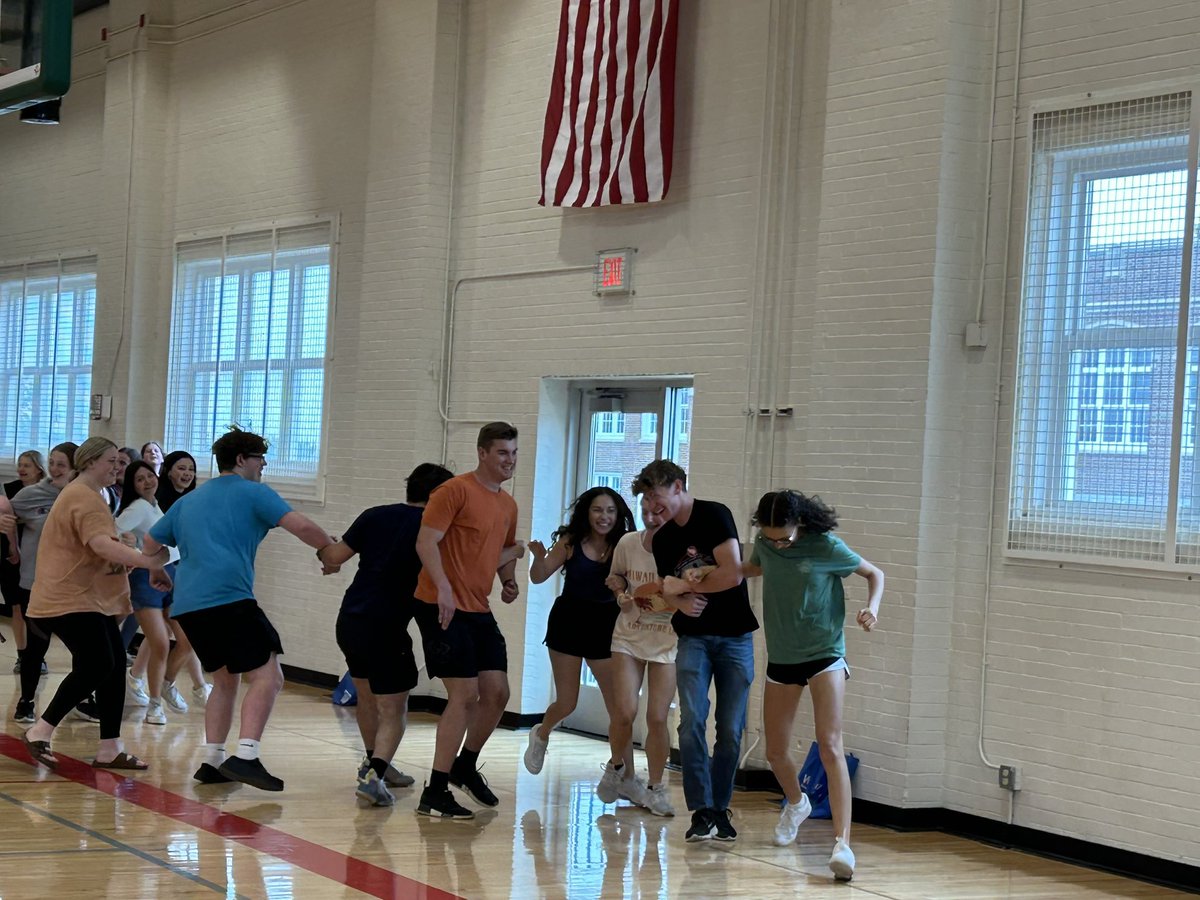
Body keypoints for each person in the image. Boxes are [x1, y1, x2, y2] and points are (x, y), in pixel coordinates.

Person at [144, 427, 335, 792]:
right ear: (241, 460)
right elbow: (302, 525)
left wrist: (156, 569)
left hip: (189, 605)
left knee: (225, 680)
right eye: (259, 458)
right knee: (269, 677)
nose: (263, 465)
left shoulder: (189, 501)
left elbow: (152, 540)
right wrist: (329, 551)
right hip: (228, 599)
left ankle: (213, 760)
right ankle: (246, 756)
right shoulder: (254, 492)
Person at [743, 490, 883, 880]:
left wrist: (872, 607)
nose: (777, 543)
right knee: (775, 751)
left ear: (799, 523)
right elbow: (751, 568)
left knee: (830, 744)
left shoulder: (825, 546)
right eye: (770, 537)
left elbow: (875, 574)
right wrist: (705, 573)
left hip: (825, 651)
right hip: (783, 656)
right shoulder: (765, 546)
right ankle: (796, 802)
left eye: (783, 537)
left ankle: (843, 845)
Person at [20, 437, 172, 770]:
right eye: (111, 461)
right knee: (98, 664)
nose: (118, 468)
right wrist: (149, 561)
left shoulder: (93, 496)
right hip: (70, 597)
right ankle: (40, 730)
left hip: (90, 596)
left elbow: (99, 544)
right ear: (89, 462)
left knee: (114, 664)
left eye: (119, 462)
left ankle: (110, 747)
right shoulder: (82, 497)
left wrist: (126, 546)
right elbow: (101, 544)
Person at [317, 462, 455, 807]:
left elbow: (334, 555)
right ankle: (374, 775)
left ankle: (377, 763)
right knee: (395, 707)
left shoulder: (374, 515)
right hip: (387, 626)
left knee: (367, 698)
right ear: (439, 496)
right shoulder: (434, 530)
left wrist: (325, 551)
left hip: (350, 620)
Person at [637, 459, 758, 843]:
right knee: (691, 721)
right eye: (648, 505)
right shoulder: (662, 538)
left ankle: (720, 809)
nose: (654, 512)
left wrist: (687, 590)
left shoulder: (714, 515)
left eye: (658, 502)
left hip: (736, 636)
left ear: (677, 486)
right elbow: (665, 590)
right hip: (693, 637)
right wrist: (678, 600)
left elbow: (732, 573)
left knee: (731, 729)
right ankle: (701, 809)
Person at [412, 422, 525, 819]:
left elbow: (504, 552)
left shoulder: (507, 505)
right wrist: (442, 586)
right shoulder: (454, 491)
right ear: (482, 453)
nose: (509, 460)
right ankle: (435, 790)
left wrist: (508, 582)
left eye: (513, 453)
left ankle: (465, 765)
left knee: (497, 693)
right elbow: (426, 542)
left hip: (478, 607)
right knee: (465, 695)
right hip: (439, 604)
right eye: (502, 453)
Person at [523, 487, 638, 802]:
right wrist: (538, 557)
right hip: (569, 622)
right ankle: (541, 734)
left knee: (619, 709)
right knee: (568, 702)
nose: (604, 517)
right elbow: (539, 577)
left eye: (611, 511)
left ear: (619, 516)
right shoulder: (570, 542)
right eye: (598, 510)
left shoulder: (624, 545)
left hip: (605, 626)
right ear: (587, 513)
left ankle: (625, 775)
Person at [599, 490, 688, 817]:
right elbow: (617, 577)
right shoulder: (628, 543)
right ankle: (618, 767)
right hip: (629, 636)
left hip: (667, 639)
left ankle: (656, 786)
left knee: (657, 717)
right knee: (624, 711)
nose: (652, 518)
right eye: (646, 511)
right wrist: (621, 592)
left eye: (659, 512)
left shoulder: (684, 550)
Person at [117, 460, 210, 726]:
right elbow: (113, 531)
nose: (147, 481)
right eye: (139, 479)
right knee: (158, 642)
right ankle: (154, 705)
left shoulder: (155, 505)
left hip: (172, 576)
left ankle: (168, 683)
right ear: (132, 486)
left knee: (188, 639)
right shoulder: (137, 508)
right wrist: (133, 554)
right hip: (146, 581)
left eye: (150, 476)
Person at [9, 443, 78, 723]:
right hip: (35, 583)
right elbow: (7, 514)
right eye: (52, 462)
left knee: (85, 651)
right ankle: (26, 701)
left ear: (76, 467)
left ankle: (82, 699)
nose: (55, 469)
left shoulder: (83, 495)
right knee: (36, 648)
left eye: (61, 464)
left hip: (73, 587)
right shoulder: (32, 494)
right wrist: (12, 543)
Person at [3, 450, 46, 678]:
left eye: (27, 465)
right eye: (20, 464)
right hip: (12, 556)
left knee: (37, 610)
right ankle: (22, 655)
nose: (22, 468)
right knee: (17, 607)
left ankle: (38, 654)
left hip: (39, 558)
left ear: (39, 468)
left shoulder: (49, 492)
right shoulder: (10, 490)